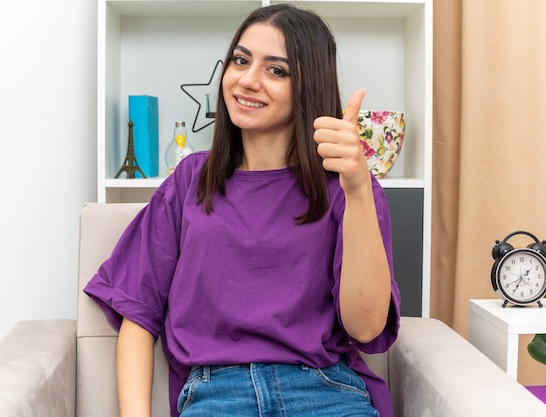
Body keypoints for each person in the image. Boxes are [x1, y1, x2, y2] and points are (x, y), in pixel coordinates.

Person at [84, 3, 400, 417]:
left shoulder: (348, 186)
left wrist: (358, 189)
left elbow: (366, 327)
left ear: (308, 86)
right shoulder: (189, 181)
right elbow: (137, 316)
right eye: (241, 60)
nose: (247, 81)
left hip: (324, 391)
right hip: (216, 396)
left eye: (276, 70)